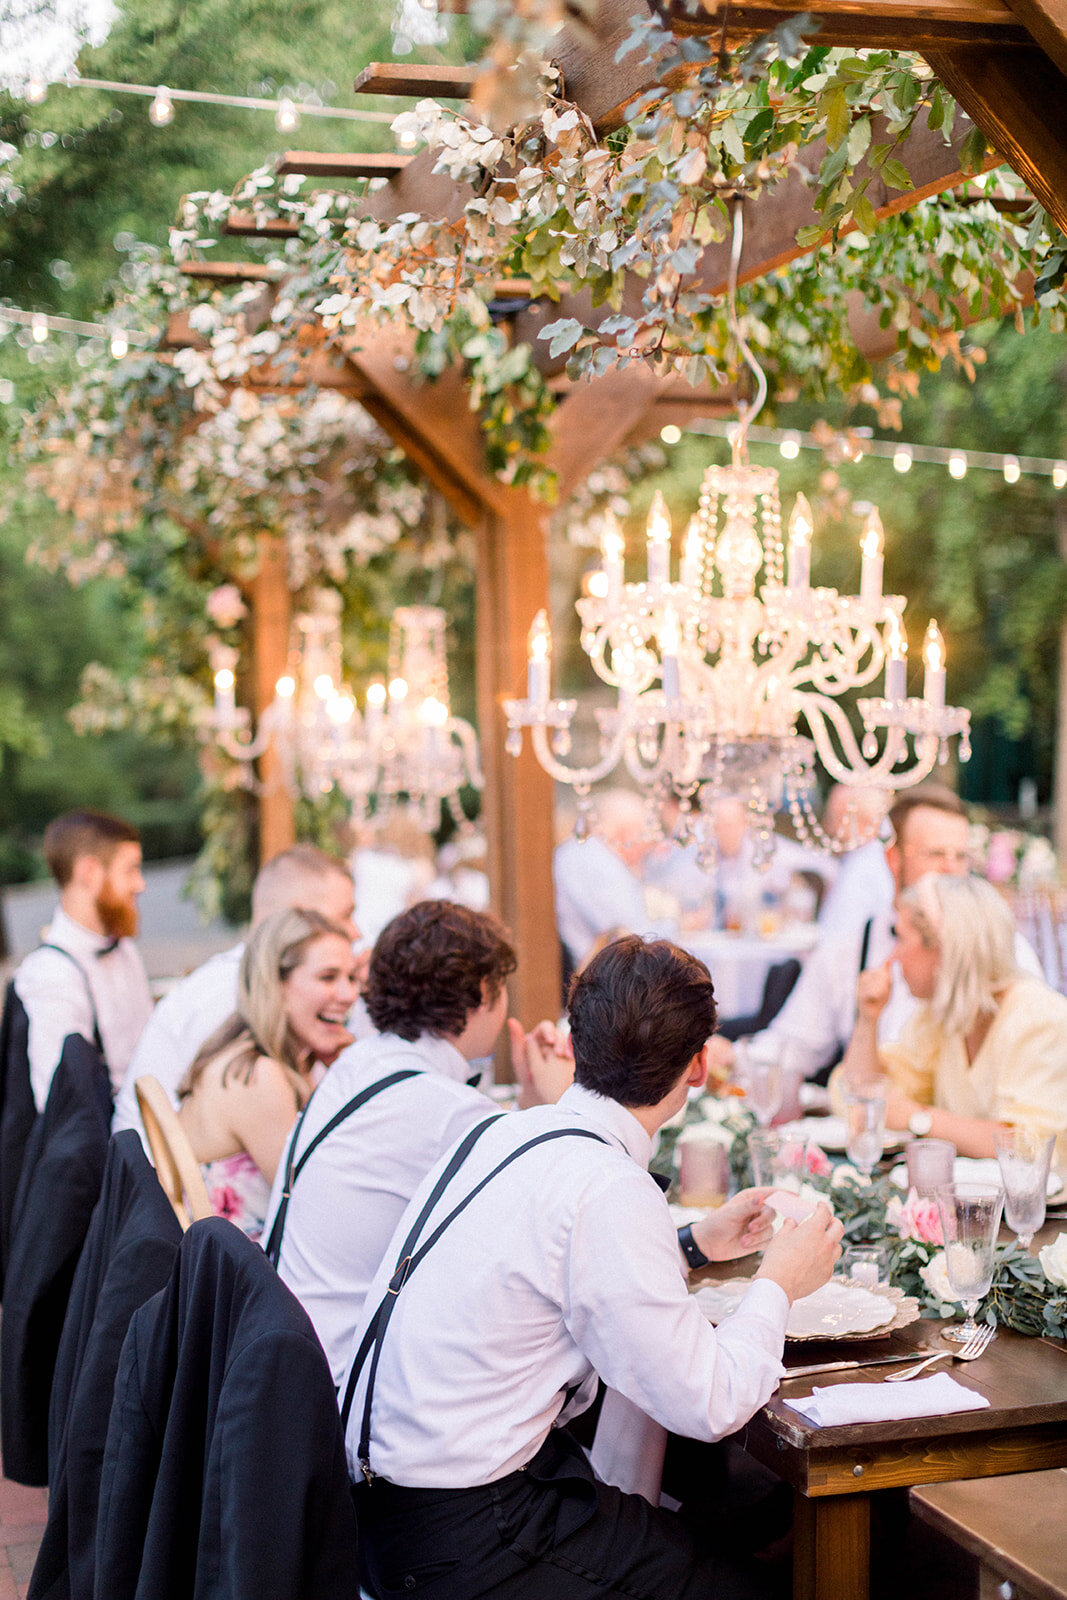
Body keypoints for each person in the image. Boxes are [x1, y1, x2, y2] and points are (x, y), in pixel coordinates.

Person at [342, 935, 843, 1600]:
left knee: (704, 1529)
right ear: (698, 1067)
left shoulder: (505, 1131)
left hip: (383, 1505)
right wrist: (777, 1280)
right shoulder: (606, 1184)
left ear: (576, 1045)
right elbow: (710, 1401)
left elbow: (560, 1263)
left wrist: (692, 1243)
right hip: (459, 1536)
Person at [263, 899, 572, 1386]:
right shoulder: (448, 1111)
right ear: (483, 995)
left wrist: (532, 1105)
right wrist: (562, 1106)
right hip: (343, 1389)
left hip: (287, 1353)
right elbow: (561, 1220)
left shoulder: (359, 1063)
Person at [711, 786, 1041, 1081]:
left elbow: (1031, 1053)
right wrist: (734, 1058)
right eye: (936, 855)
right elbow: (796, 1044)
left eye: (960, 856)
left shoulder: (1004, 949)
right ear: (892, 858)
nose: (952, 869)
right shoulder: (851, 946)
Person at [112, 843, 360, 1141]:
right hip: (162, 1181)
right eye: (345, 915)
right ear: (297, 919)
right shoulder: (231, 998)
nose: (355, 931)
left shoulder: (246, 981)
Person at [837, 873, 1067, 1158]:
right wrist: (868, 1019)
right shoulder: (939, 1017)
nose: (894, 956)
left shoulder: (1040, 1018)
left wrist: (918, 1119)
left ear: (945, 949)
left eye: (901, 938)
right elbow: (861, 1101)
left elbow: (1029, 1147)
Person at [176, 907, 359, 1241]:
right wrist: (349, 1077)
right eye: (328, 977)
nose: (349, 995)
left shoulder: (248, 1051)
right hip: (236, 1284)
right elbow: (319, 1208)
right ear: (277, 986)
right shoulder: (259, 1076)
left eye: (352, 978)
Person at [13, 810, 152, 1111]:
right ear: (89, 872)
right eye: (130, 870)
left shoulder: (125, 949)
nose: (140, 884)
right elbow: (63, 1108)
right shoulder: (52, 974)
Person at [554, 789, 671, 973]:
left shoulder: (588, 854)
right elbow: (635, 936)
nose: (647, 846)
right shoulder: (593, 860)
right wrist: (675, 924)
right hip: (599, 979)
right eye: (644, 835)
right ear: (625, 833)